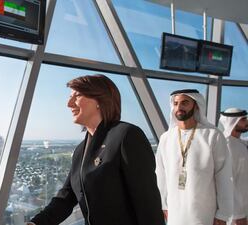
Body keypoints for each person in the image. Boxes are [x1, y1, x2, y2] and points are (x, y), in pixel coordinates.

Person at [28, 74, 164, 225]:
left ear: (99, 99)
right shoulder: (80, 150)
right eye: (69, 97)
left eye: (77, 95)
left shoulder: (127, 135)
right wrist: (35, 223)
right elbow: (66, 197)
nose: (69, 103)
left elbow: (147, 203)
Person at [155, 89, 233, 225]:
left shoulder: (213, 135)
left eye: (185, 103)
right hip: (174, 211)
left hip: (204, 213)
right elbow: (160, 174)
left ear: (196, 106)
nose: (179, 107)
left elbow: (224, 176)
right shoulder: (166, 138)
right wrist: (163, 205)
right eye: (176, 103)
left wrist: (223, 213)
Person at [218, 108, 248, 225]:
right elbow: (228, 182)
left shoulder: (240, 143)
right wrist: (238, 214)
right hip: (236, 215)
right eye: (243, 119)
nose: (247, 121)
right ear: (233, 122)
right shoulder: (227, 145)